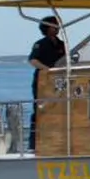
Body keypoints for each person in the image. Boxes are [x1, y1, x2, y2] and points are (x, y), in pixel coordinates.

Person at [28, 16, 65, 151]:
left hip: (59, 80)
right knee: (40, 109)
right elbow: (33, 60)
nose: (57, 28)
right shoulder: (40, 44)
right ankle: (33, 144)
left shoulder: (61, 44)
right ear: (47, 28)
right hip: (43, 81)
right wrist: (48, 70)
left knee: (60, 108)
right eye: (54, 25)